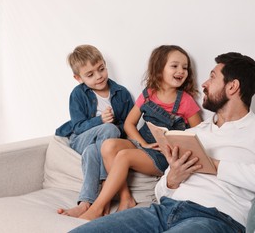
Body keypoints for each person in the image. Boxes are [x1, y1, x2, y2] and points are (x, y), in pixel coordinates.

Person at [71, 52, 255, 233]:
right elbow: (161, 192)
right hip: (163, 211)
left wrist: (213, 165)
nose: (204, 84)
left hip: (215, 219)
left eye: (213, 77)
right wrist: (172, 179)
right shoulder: (196, 132)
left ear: (233, 86)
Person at [78, 45, 202, 220]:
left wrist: (172, 148)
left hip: (161, 155)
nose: (181, 71)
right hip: (143, 143)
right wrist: (142, 143)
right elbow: (129, 124)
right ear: (159, 68)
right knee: (108, 145)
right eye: (174, 66)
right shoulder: (149, 94)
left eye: (185, 67)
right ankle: (125, 198)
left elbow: (199, 136)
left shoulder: (186, 101)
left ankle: (96, 209)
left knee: (124, 156)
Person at [55, 44, 134, 217]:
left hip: (102, 145)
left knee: (93, 151)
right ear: (78, 78)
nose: (98, 77)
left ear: (105, 64)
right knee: (107, 128)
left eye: (101, 69)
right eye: (90, 75)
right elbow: (77, 126)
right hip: (80, 139)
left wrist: (113, 126)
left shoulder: (122, 93)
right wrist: (100, 121)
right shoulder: (77, 94)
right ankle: (106, 185)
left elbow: (128, 126)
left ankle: (85, 203)